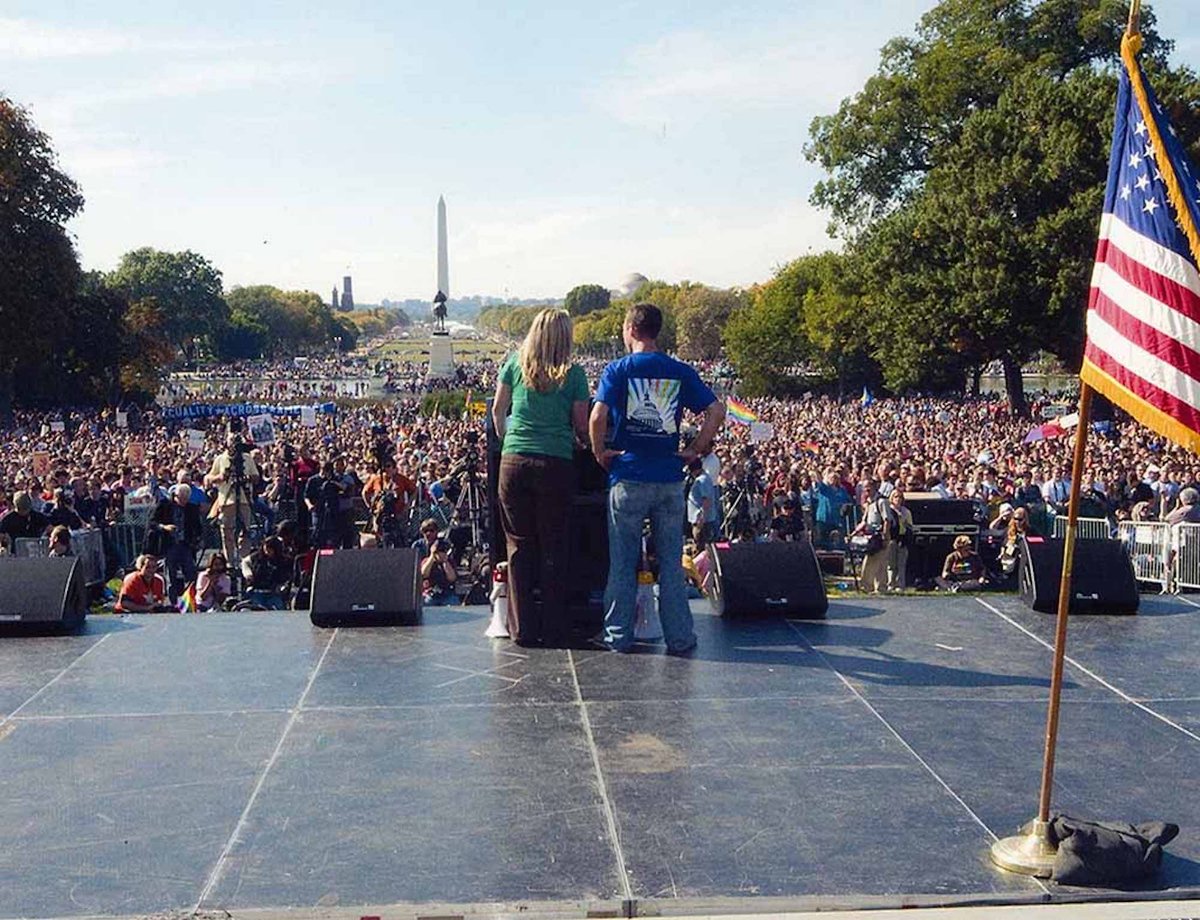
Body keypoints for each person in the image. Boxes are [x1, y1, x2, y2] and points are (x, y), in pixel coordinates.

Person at [589, 303, 725, 654]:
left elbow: (597, 416)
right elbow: (716, 410)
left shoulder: (618, 370)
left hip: (629, 476)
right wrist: (695, 447)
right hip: (668, 478)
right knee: (670, 562)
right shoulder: (678, 370)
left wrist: (600, 452)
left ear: (631, 329)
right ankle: (680, 637)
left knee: (622, 563)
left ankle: (618, 636)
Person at [491, 309, 589, 645]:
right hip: (555, 464)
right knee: (554, 546)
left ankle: (524, 630)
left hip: (515, 462)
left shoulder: (514, 364)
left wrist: (510, 443)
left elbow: (497, 410)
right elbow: (580, 425)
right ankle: (555, 626)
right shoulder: (574, 374)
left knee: (518, 547)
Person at [205, 433, 260, 571]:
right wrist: (221, 476)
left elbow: (256, 477)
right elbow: (209, 478)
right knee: (227, 531)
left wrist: (247, 478)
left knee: (246, 531)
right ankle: (229, 562)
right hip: (226, 499)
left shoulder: (247, 458)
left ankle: (244, 560)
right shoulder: (220, 458)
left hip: (244, 499)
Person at [145, 484, 202, 604]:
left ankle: (190, 601)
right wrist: (164, 527)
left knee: (191, 573)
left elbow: (198, 527)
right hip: (169, 545)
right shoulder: (165, 506)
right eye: (182, 498)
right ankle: (172, 603)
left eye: (186, 499)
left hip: (185, 545)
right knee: (171, 575)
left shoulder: (192, 508)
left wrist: (196, 540)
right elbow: (152, 522)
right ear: (176, 496)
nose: (184, 502)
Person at [851, 480, 889, 593]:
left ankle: (878, 588)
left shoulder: (882, 501)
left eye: (868, 487)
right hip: (870, 536)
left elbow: (887, 520)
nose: (867, 490)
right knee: (871, 562)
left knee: (878, 563)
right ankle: (869, 586)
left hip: (880, 535)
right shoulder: (869, 503)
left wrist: (885, 537)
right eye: (865, 488)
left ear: (874, 487)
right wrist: (853, 533)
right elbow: (864, 521)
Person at [412, 518, 457, 606]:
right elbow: (423, 574)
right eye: (425, 531)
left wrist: (445, 560)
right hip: (428, 591)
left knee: (454, 602)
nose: (428, 534)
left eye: (431, 531)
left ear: (436, 532)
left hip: (446, 591)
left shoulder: (445, 545)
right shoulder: (417, 546)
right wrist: (432, 556)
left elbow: (452, 578)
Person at [687, 457, 718, 549]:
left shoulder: (702, 480)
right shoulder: (702, 478)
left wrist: (702, 518)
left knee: (702, 545)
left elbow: (706, 500)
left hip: (702, 520)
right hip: (698, 519)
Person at [885, 489, 913, 591]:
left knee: (901, 563)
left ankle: (900, 585)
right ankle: (890, 584)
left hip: (903, 538)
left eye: (900, 497)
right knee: (891, 564)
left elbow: (910, 526)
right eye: (896, 496)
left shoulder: (906, 512)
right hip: (892, 539)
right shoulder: (888, 510)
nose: (898, 499)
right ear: (891, 498)